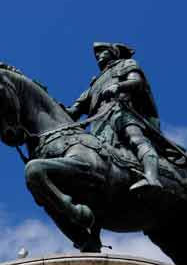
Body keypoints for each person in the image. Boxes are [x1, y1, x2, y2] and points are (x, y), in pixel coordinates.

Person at [67, 42, 163, 194]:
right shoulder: (95, 83)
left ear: (113, 52)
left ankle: (152, 177)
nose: (98, 55)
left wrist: (118, 86)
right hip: (99, 123)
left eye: (102, 51)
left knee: (135, 138)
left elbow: (137, 82)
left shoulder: (126, 64)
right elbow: (74, 110)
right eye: (96, 54)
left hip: (121, 111)